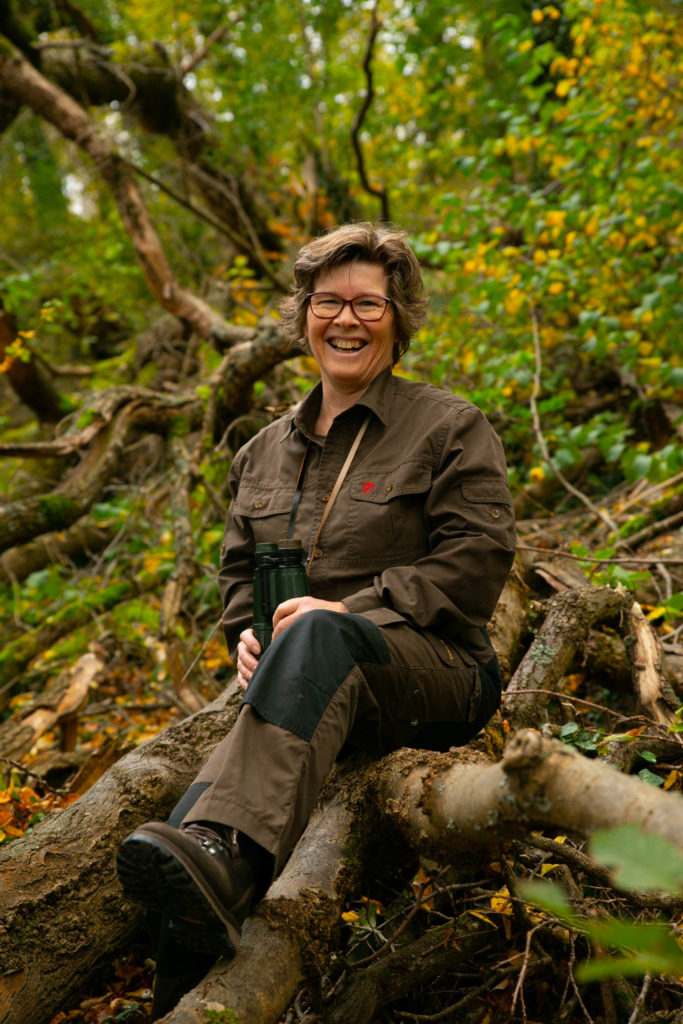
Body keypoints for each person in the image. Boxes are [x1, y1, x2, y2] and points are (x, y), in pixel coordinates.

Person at [117, 222, 516, 1017]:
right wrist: (245, 633)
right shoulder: (261, 452)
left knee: (315, 645)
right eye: (328, 301)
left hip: (433, 673)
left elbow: (476, 561)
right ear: (303, 315)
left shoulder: (448, 426)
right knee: (181, 833)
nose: (346, 319)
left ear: (400, 318)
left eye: (368, 303)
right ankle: (175, 994)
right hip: (304, 681)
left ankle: (231, 854)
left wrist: (349, 608)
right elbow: (238, 573)